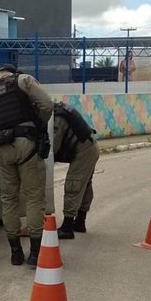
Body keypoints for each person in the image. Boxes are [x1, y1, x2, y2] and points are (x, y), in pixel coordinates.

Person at [0, 64, 53, 267]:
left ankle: (15, 253)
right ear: (13, 72)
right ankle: (35, 253)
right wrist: (37, 127)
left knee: (8, 200)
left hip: (2, 149)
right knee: (34, 198)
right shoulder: (23, 80)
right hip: (26, 144)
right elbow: (47, 106)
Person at [52, 102, 99, 239]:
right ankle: (80, 222)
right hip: (90, 146)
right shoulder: (59, 110)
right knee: (85, 186)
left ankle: (67, 228)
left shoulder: (57, 118)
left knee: (74, 184)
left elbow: (53, 147)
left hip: (84, 151)